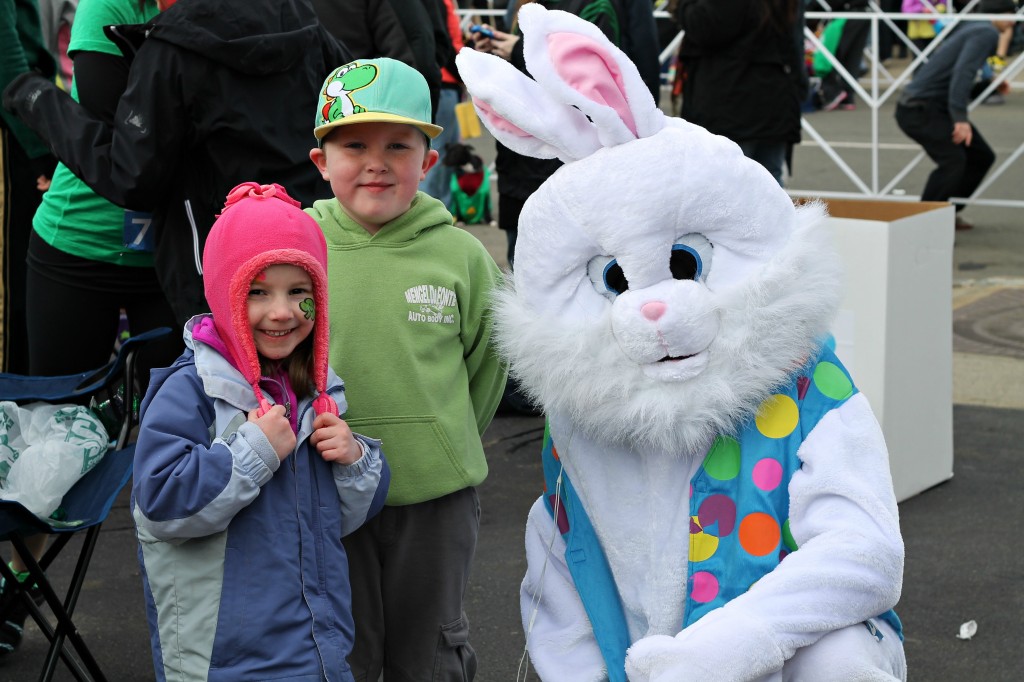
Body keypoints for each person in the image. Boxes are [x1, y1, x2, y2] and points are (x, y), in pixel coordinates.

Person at [131, 181, 389, 681]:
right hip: (224, 663)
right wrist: (251, 452)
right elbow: (159, 504)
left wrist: (355, 459)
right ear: (223, 294)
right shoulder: (191, 390)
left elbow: (342, 520)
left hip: (317, 648)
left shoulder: (315, 387)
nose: (281, 312)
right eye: (256, 291)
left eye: (299, 292)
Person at [306, 57, 506, 680]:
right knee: (344, 647)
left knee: (430, 650)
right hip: (325, 490)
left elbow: (487, 366)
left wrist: (440, 438)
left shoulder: (462, 255)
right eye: (354, 144)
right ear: (321, 162)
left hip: (433, 499)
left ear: (428, 161)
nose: (376, 161)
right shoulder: (299, 244)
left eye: (399, 144)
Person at [0, 0, 181, 659]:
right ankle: (17, 583)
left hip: (170, 256)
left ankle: (189, 598)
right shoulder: (109, 4)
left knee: (182, 432)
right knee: (50, 430)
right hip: (74, 248)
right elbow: (120, 138)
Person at [2, 0, 353, 326]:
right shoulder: (300, 20)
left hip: (213, 267)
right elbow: (352, 106)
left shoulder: (171, 49)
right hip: (299, 251)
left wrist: (37, 99)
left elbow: (132, 175)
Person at [894, 0, 1017, 231]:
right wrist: (960, 118)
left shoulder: (974, 27)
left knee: (981, 156)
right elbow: (963, 72)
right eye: (1009, 15)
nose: (1012, 22)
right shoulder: (986, 32)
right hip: (920, 108)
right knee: (953, 161)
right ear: (996, 14)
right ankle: (923, 222)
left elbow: (956, 77)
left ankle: (947, 212)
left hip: (932, 107)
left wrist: (986, 86)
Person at [675, 0, 808, 185]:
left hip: (729, 101)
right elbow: (795, 40)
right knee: (768, 190)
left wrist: (683, 5)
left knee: (727, 189)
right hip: (774, 101)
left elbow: (705, 26)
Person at [0, 0, 56, 375]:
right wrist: (41, 147)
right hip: (12, 132)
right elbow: (7, 63)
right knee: (8, 283)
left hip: (17, 126)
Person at [817, 0, 870, 111]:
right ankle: (847, 97)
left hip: (845, 15)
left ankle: (834, 93)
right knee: (853, 58)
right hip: (862, 13)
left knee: (832, 56)